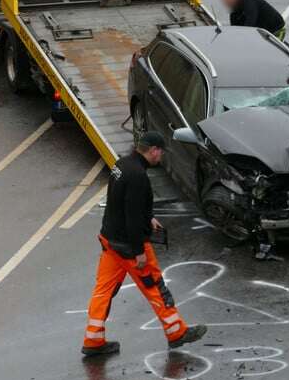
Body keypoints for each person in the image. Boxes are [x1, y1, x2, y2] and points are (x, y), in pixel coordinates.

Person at [81, 131, 206, 357]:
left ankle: (93, 339)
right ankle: (176, 331)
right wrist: (139, 252)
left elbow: (121, 202)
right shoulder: (138, 176)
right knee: (155, 287)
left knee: (103, 291)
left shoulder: (121, 165)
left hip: (110, 240)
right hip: (129, 247)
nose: (161, 157)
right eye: (161, 152)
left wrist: (147, 216)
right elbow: (131, 215)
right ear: (154, 150)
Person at [219, 0, 287, 40]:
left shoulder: (247, 0)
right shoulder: (234, 13)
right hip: (263, 33)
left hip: (276, 30)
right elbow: (235, 30)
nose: (226, 2)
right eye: (224, 0)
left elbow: (250, 24)